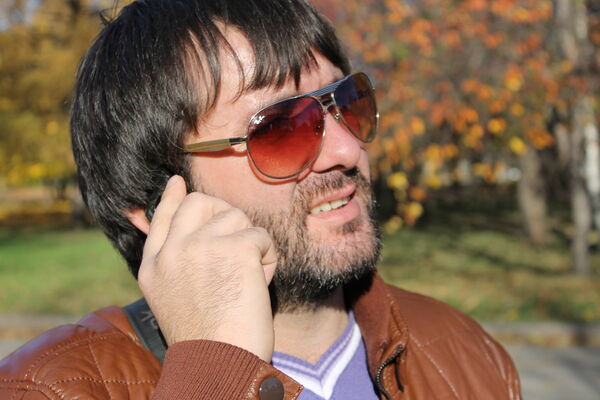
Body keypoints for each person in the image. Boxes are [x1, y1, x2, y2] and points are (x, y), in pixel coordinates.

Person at [0, 0, 521, 399]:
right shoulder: (48, 388)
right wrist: (212, 375)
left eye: (346, 102)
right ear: (155, 203)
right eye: (279, 129)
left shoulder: (465, 354)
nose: (346, 150)